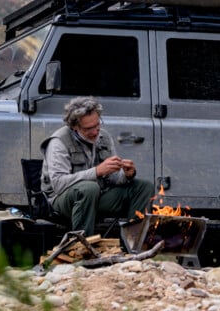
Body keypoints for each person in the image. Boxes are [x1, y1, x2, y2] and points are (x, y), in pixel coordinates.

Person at [40, 96, 154, 236]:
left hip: (98, 195)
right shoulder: (59, 142)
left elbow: (113, 179)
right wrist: (97, 171)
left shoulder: (103, 137)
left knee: (143, 187)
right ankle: (82, 246)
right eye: (89, 128)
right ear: (75, 126)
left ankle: (134, 245)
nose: (95, 132)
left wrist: (126, 175)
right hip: (63, 201)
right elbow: (58, 184)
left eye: (97, 125)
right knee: (89, 188)